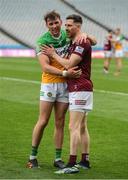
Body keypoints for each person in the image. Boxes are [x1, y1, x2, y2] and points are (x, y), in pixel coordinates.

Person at [27, 11, 96, 169]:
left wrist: (86, 35)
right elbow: (45, 66)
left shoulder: (67, 34)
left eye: (56, 22)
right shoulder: (42, 41)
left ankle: (58, 159)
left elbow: (91, 41)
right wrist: (65, 73)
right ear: (46, 25)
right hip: (50, 84)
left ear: (60, 22)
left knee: (60, 122)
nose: (54, 26)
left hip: (65, 85)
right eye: (50, 24)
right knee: (43, 120)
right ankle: (32, 156)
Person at [42, 14, 94, 174]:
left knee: (74, 126)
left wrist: (53, 55)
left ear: (78, 27)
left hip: (79, 88)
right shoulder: (76, 41)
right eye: (66, 26)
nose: (66, 28)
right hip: (81, 88)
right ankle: (84, 160)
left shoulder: (80, 42)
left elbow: (70, 64)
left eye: (69, 26)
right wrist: (87, 35)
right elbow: (94, 41)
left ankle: (71, 164)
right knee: (82, 126)